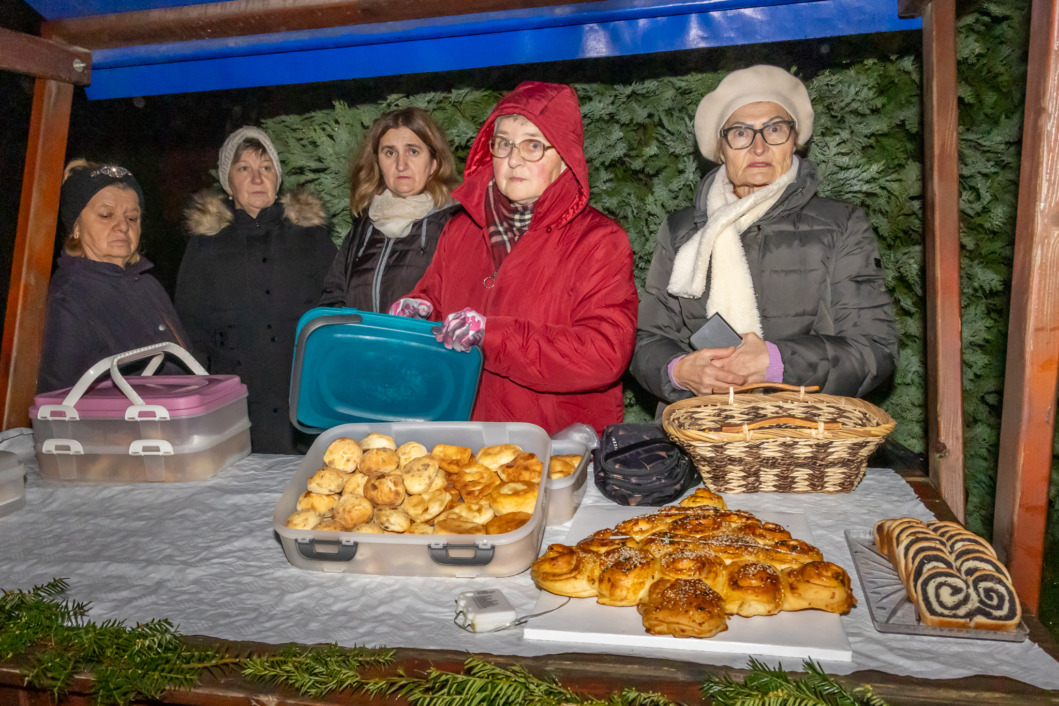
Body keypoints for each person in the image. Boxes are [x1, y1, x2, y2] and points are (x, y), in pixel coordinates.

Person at [631, 65, 898, 409]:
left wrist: (776, 362)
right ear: (721, 150)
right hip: (700, 429)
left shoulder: (842, 225)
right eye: (741, 133)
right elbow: (647, 339)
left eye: (774, 129)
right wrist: (679, 370)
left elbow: (874, 349)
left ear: (794, 141)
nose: (758, 147)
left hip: (807, 431)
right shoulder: (680, 231)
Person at [391, 81, 639, 435]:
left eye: (533, 145)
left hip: (553, 444)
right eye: (504, 143)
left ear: (565, 159)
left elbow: (603, 354)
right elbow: (437, 299)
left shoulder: (599, 241)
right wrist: (419, 312)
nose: (513, 159)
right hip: (462, 439)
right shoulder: (461, 229)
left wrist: (492, 336)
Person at [176, 126, 337, 454]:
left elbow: (337, 308)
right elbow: (191, 329)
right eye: (244, 169)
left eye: (266, 168)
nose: (257, 178)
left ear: (277, 178)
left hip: (304, 401)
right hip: (238, 406)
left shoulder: (312, 236)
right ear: (228, 183)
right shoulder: (205, 246)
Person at [39, 159, 190, 393]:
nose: (123, 226)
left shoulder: (149, 286)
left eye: (132, 218)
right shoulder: (69, 300)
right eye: (106, 215)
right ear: (76, 226)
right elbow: (56, 399)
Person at [319, 107, 460, 312]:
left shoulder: (454, 226)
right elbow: (333, 297)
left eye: (413, 151)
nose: (401, 165)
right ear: (378, 163)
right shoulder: (363, 228)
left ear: (434, 163)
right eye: (390, 153)